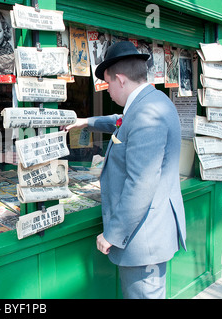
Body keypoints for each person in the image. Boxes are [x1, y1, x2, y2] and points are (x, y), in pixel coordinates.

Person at [64, 41, 186, 299]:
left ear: (119, 79)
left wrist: (113, 234)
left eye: (107, 84)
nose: (106, 91)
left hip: (144, 239)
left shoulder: (147, 114)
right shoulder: (151, 102)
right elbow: (120, 122)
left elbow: (141, 183)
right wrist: (86, 122)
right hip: (148, 232)